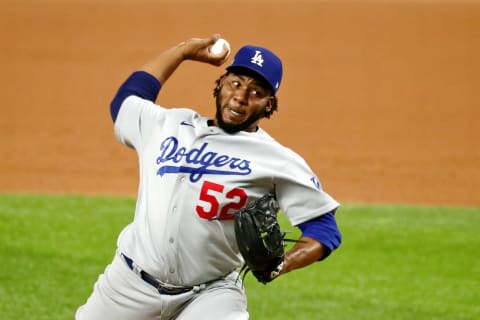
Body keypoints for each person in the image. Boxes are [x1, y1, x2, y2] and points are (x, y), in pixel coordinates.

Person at [75, 34, 342, 320]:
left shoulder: (278, 160)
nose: (240, 96)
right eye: (235, 83)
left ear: (268, 104)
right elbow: (126, 102)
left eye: (256, 91)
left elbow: (323, 230)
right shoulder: (169, 125)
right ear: (219, 85)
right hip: (129, 283)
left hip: (211, 292)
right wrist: (183, 51)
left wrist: (282, 264)